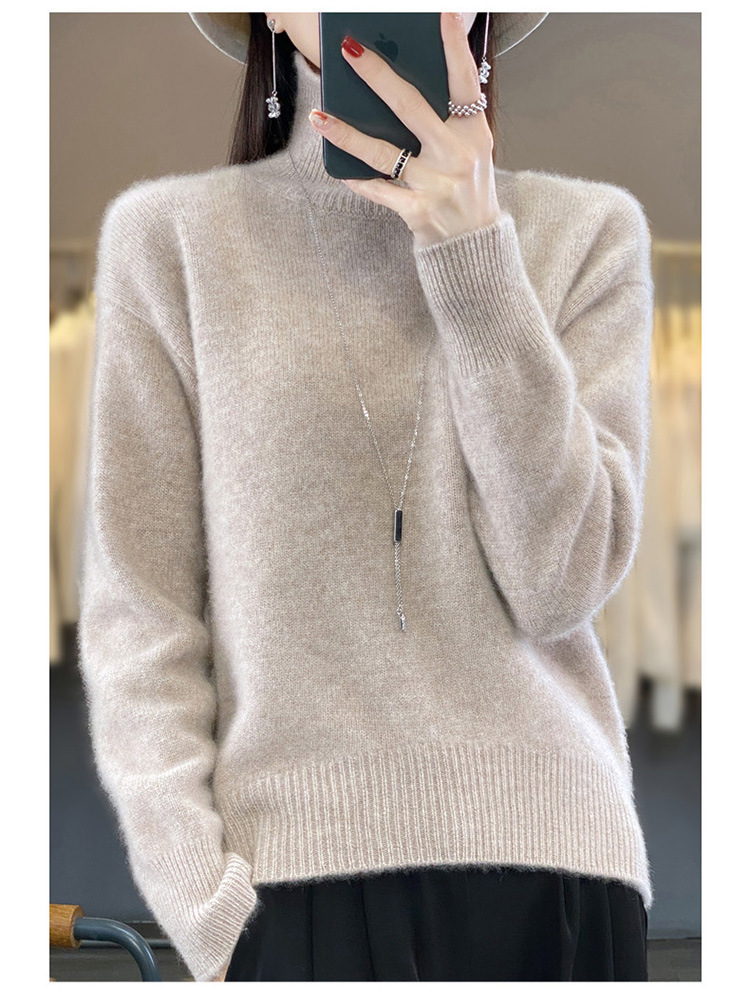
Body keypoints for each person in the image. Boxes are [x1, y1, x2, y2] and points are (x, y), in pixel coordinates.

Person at [78, 11, 653, 983]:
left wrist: (474, 252)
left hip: (558, 883)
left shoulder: (587, 234)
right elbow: (141, 612)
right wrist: (206, 908)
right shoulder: (170, 241)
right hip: (292, 890)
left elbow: (558, 585)